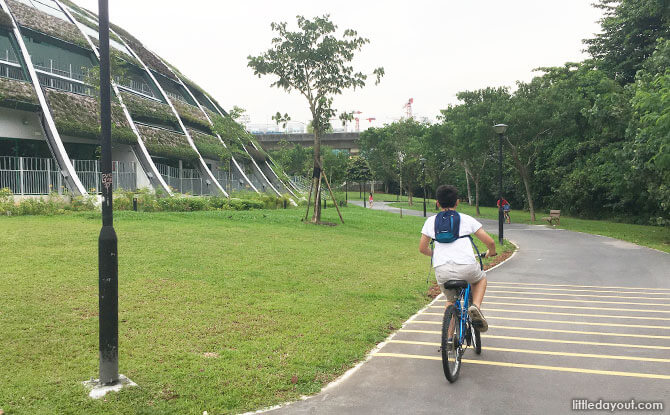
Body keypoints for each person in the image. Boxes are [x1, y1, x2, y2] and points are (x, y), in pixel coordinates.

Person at [419, 185, 497, 332]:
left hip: (442, 270)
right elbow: (490, 242)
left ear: (437, 203)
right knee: (480, 279)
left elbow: (422, 248)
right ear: (457, 202)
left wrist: (436, 255)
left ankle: (448, 340)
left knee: (451, 301)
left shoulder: (430, 221)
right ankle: (476, 307)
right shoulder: (467, 219)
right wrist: (491, 252)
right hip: (466, 267)